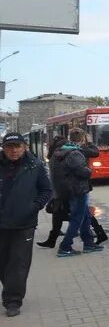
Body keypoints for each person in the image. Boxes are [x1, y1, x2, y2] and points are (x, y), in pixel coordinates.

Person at [0, 132, 53, 316]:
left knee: (19, 263)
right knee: (4, 263)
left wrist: (35, 206)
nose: (13, 151)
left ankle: (13, 301)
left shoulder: (35, 166)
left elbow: (47, 190)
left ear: (24, 147)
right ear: (4, 148)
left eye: (17, 146)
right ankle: (11, 288)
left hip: (24, 223)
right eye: (9, 147)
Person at [54, 128, 103, 258]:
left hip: (71, 188)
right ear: (82, 139)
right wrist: (89, 171)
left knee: (85, 216)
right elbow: (83, 171)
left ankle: (88, 243)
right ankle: (65, 247)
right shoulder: (75, 153)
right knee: (77, 218)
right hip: (78, 189)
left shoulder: (64, 150)